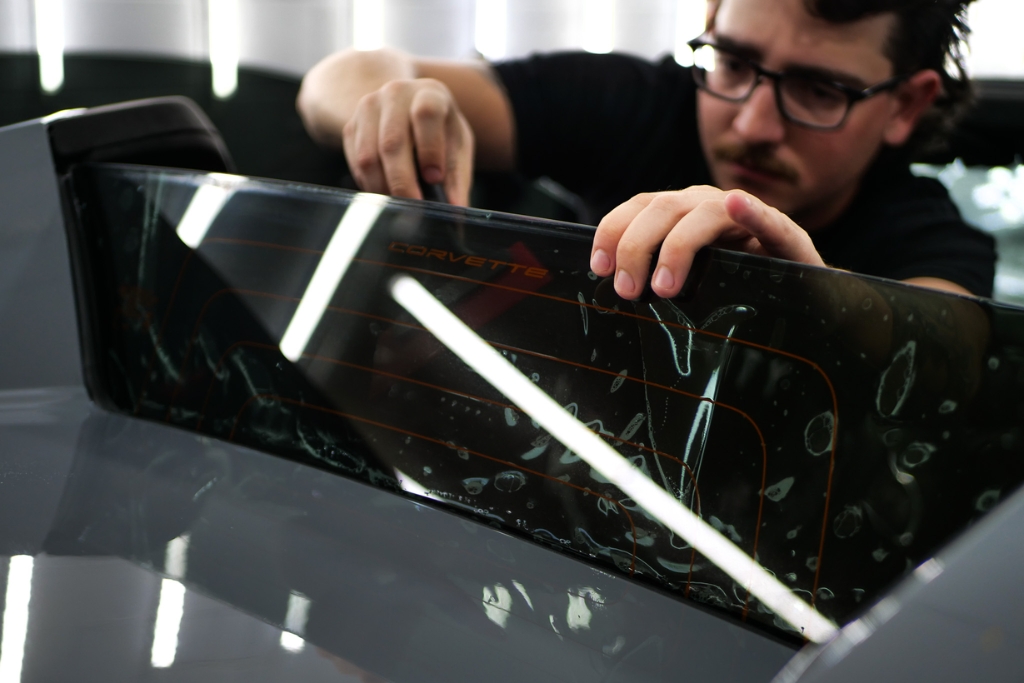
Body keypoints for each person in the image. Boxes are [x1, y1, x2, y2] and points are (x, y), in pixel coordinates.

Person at [297, 0, 996, 300]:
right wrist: (389, 106)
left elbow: (934, 359)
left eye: (819, 89)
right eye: (733, 62)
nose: (751, 124)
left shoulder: (932, 243)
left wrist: (814, 299)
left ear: (906, 104)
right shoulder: (640, 102)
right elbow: (344, 73)